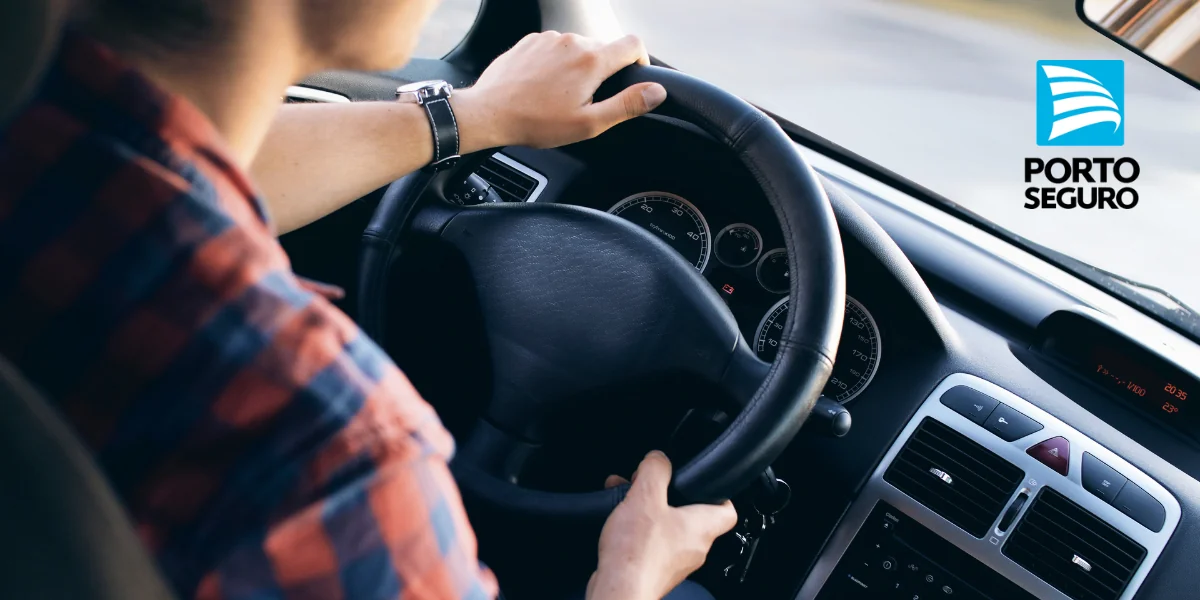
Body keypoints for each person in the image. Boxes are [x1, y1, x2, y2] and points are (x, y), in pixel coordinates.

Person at [0, 1, 739, 599]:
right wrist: (630, 580)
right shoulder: (325, 452)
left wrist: (473, 115)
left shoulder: (36, 132)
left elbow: (185, 169)